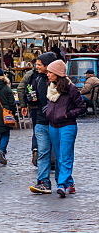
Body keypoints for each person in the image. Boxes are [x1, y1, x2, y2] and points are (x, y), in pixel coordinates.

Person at [39, 60, 87, 198]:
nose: (47, 74)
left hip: (67, 125)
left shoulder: (70, 88)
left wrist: (68, 114)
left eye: (50, 72)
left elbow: (81, 107)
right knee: (60, 156)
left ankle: (62, 184)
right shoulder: (51, 87)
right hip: (53, 125)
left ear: (58, 74)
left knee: (65, 156)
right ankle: (69, 184)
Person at [22, 51, 57, 189]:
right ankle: (43, 182)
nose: (37, 66)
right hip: (41, 120)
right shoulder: (34, 77)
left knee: (60, 153)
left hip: (56, 121)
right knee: (43, 152)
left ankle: (63, 182)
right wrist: (28, 99)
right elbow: (27, 91)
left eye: (39, 64)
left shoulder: (59, 81)